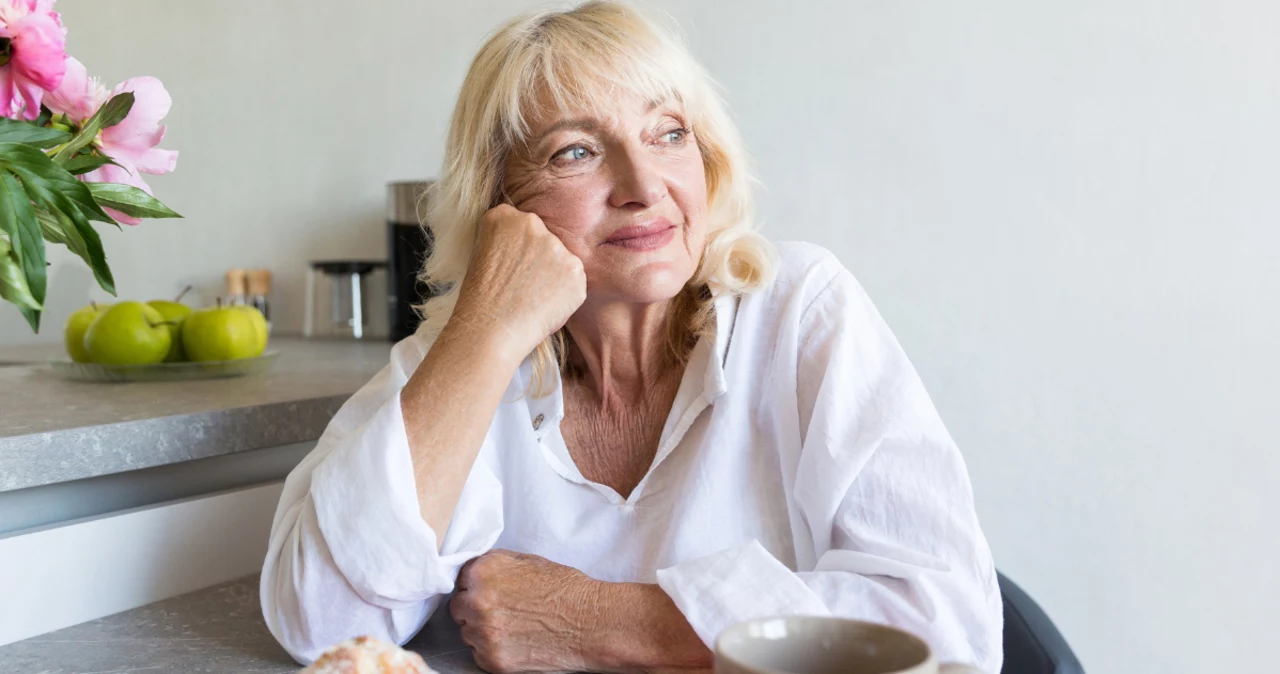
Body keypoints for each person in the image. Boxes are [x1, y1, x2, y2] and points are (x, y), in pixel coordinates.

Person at [261, 2, 1003, 672]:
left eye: (669, 133)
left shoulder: (800, 311)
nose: (644, 185)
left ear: (707, 161)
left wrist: (593, 621)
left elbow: (949, 630)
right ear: (500, 205)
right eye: (575, 151)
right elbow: (325, 625)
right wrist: (483, 334)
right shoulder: (461, 356)